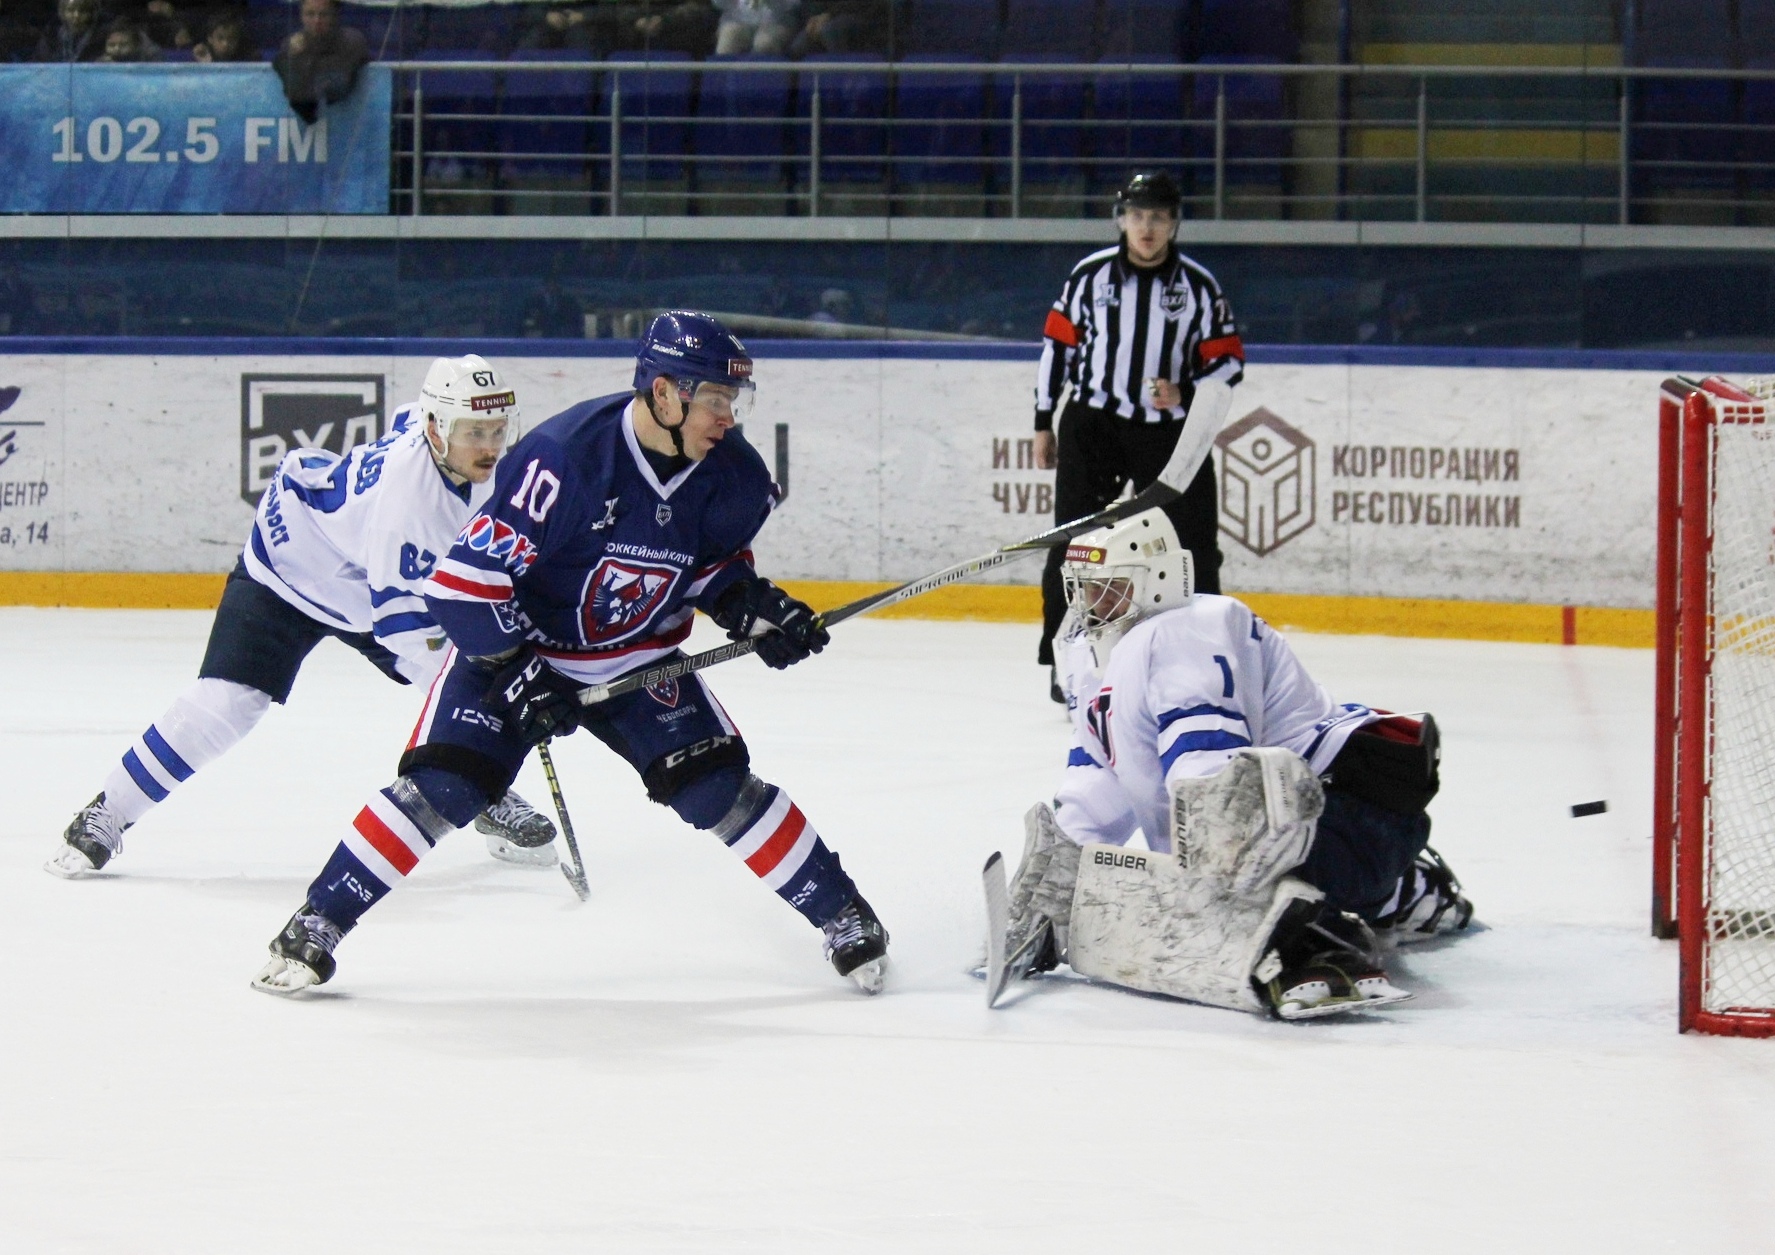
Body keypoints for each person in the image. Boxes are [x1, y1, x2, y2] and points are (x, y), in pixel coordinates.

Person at [249, 312, 890, 999]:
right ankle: (316, 923)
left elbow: (710, 566)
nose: (727, 418)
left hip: (635, 658)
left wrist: (754, 609)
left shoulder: (731, 473)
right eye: (714, 399)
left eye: (734, 402)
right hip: (517, 643)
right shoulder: (562, 458)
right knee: (445, 783)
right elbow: (465, 589)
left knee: (715, 788)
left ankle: (844, 913)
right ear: (665, 392)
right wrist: (516, 668)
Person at [48, 356, 561, 880]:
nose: (492, 445)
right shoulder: (407, 511)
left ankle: (479, 789)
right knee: (230, 702)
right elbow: (408, 635)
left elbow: (406, 417)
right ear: (438, 429)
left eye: (498, 429)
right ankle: (107, 811)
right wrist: (504, 675)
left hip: (361, 575)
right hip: (290, 566)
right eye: (475, 432)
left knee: (468, 679)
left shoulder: (435, 438)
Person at [997, 507, 1473, 1020]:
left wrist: (1208, 883)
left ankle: (1319, 942)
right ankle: (1410, 894)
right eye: (1084, 589)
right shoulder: (1094, 661)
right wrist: (1060, 872)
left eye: (1109, 588)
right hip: (1329, 824)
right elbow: (1098, 776)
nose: (1092, 604)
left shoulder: (1188, 629)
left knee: (1240, 827)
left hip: (1359, 809)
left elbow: (1209, 772)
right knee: (1239, 837)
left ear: (1157, 580)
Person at [1032, 170, 1244, 703]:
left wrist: (1187, 392)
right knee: (1072, 546)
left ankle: (1204, 661)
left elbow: (1229, 363)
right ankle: (1067, 664)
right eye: (1137, 216)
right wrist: (1042, 419)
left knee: (1194, 549)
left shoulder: (1198, 286)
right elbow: (1057, 350)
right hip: (1093, 424)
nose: (1146, 228)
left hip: (1170, 435)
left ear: (1174, 224)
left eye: (1158, 217)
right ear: (1121, 220)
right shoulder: (1088, 278)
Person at [272, 0, 369, 126]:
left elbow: (338, 89)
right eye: (310, 14)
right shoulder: (291, 46)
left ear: (335, 15)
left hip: (352, 122)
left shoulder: (352, 41)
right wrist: (295, 57)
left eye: (323, 14)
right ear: (301, 16)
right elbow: (300, 101)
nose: (317, 21)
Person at [714, 0, 798, 54]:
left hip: (776, 22)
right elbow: (718, 3)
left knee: (764, 43)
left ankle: (760, 80)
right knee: (728, 37)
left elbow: (794, 4)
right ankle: (724, 80)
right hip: (737, 20)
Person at [32, 0, 102, 61]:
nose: (76, 15)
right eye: (70, 10)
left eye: (83, 11)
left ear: (92, 13)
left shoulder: (101, 38)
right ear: (62, 12)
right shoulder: (50, 37)